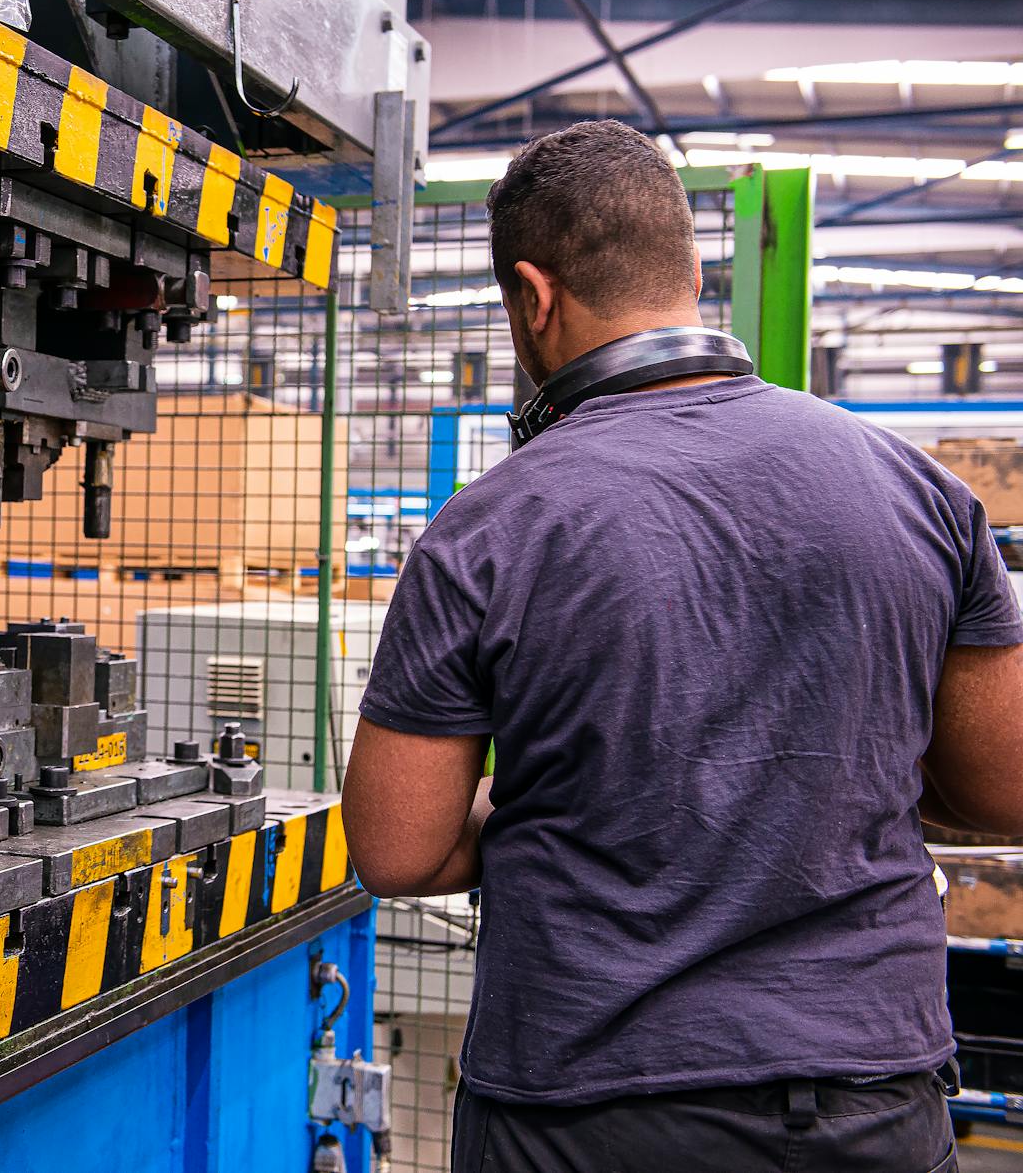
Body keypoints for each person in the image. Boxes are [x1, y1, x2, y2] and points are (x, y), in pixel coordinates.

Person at [341, 119, 1023, 1173]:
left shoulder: (489, 527)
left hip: (582, 1110)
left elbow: (398, 845)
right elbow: (1001, 787)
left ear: (534, 296)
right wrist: (829, 780)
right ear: (694, 269)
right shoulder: (920, 491)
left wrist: (570, 797)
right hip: (862, 1101)